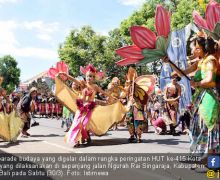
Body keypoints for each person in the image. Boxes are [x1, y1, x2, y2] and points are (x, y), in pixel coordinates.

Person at [163, 32, 220, 162]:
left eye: (192, 47)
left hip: (209, 97)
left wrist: (196, 83)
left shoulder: (210, 60)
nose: (191, 50)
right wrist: (170, 62)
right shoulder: (200, 62)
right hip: (201, 97)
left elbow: (210, 80)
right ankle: (207, 158)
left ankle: (212, 160)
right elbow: (182, 72)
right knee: (200, 126)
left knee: (208, 126)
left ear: (199, 48)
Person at [60, 64, 115, 147]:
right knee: (76, 123)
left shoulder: (95, 86)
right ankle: (76, 140)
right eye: (88, 76)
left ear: (94, 78)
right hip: (81, 107)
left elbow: (104, 92)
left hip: (90, 107)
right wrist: (66, 75)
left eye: (91, 76)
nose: (89, 78)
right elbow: (74, 80)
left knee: (84, 124)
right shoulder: (83, 84)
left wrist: (111, 97)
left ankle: (86, 137)